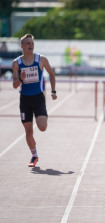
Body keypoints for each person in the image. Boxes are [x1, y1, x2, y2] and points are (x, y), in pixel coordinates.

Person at [12, 34, 57, 167]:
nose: (30, 45)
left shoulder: (41, 59)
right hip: (25, 99)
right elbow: (14, 85)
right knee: (28, 131)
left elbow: (52, 74)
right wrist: (20, 79)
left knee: (42, 127)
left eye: (32, 43)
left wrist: (53, 91)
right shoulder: (16, 63)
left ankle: (34, 142)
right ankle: (34, 155)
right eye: (27, 43)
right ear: (22, 46)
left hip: (38, 98)